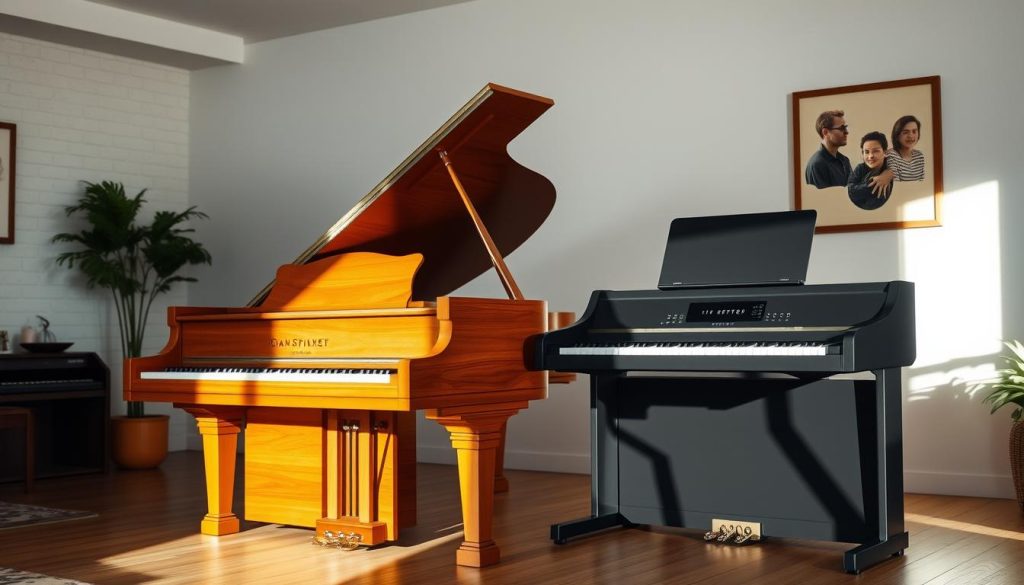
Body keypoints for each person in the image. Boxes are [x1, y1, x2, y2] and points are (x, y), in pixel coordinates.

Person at [804, 110, 852, 188]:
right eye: (842, 128)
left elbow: (853, 192)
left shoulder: (845, 160)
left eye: (845, 127)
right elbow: (824, 199)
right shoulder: (817, 164)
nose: (846, 132)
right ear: (825, 132)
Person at [848, 131, 894, 210]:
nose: (871, 156)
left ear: (885, 152)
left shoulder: (892, 166)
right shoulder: (860, 168)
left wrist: (889, 173)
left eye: (876, 151)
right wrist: (870, 184)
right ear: (862, 154)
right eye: (866, 152)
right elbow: (851, 190)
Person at [886, 115, 925, 181]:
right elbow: (897, 185)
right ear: (897, 135)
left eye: (914, 131)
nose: (911, 136)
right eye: (905, 132)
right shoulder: (890, 156)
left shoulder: (919, 156)